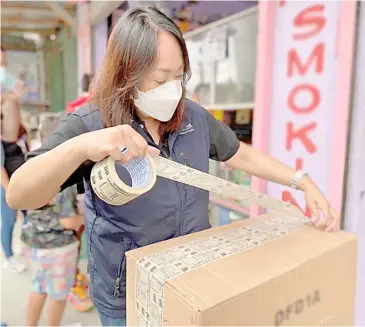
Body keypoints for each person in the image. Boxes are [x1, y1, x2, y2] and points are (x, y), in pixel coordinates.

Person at [6, 7, 339, 326]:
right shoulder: (91, 123)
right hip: (127, 294)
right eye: (159, 79)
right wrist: (80, 147)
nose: (171, 90)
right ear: (126, 73)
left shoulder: (192, 115)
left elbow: (242, 155)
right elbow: (19, 194)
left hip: (192, 277)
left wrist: (302, 180)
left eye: (178, 77)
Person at [21, 116, 84, 326]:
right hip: (58, 248)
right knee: (58, 295)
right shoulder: (63, 174)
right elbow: (67, 221)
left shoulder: (33, 167)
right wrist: (86, 216)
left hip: (33, 242)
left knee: (39, 287)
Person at [64, 74, 94, 312]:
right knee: (80, 232)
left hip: (78, 180)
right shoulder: (91, 107)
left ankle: (76, 278)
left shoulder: (72, 106)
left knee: (79, 235)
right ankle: (74, 280)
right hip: (86, 182)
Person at [1, 46, 27, 273]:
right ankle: (8, 256)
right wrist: (9, 190)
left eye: (4, 63)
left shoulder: (6, 96)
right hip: (4, 171)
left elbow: (10, 134)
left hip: (12, 158)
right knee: (8, 215)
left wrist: (12, 100)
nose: (3, 68)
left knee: (18, 212)